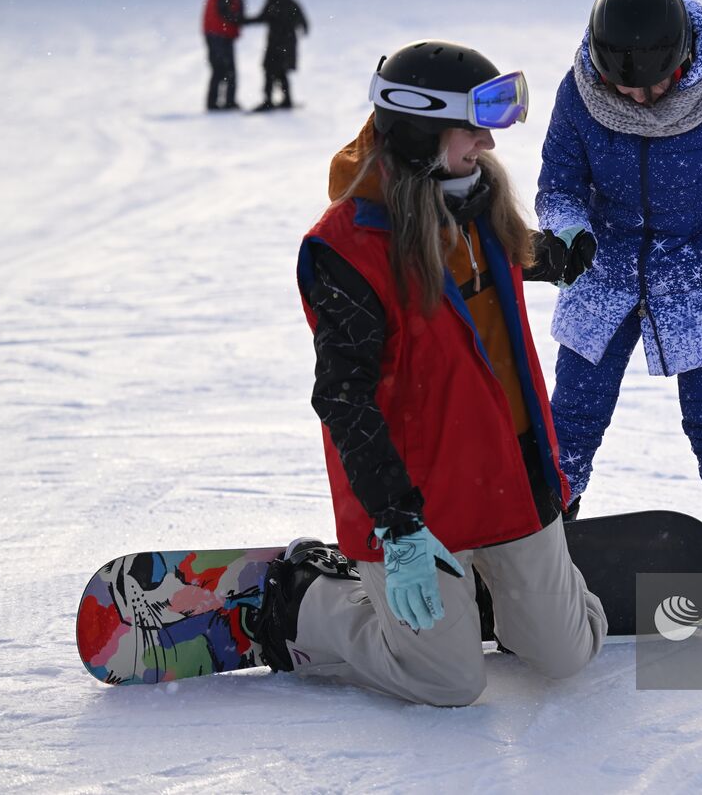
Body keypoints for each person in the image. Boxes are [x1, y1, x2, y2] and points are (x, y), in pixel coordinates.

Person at [255, 40, 607, 706]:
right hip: (413, 499)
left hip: (507, 475)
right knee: (448, 681)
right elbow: (343, 399)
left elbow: (497, 260)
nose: (488, 144)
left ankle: (494, 590)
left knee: (566, 656)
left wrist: (554, 257)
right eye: (470, 128)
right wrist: (398, 524)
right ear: (419, 132)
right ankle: (308, 599)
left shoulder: (480, 203)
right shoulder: (346, 251)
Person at [535, 0, 702, 605]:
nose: (643, 98)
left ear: (681, 62)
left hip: (699, 270)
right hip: (605, 270)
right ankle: (539, 537)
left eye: (654, 84)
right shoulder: (578, 97)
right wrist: (570, 234)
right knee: (570, 415)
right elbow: (558, 187)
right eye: (627, 86)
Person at [244, 0, 309, 111]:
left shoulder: (274, 2)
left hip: (275, 43)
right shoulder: (292, 3)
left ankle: (269, 100)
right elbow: (304, 24)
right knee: (281, 72)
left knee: (270, 70)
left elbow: (261, 18)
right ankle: (286, 100)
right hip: (288, 44)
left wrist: (242, 21)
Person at [202, 0, 244, 111]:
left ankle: (216, 102)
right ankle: (226, 102)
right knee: (225, 70)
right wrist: (239, 20)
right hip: (220, 34)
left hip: (216, 33)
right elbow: (225, 12)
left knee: (220, 70)